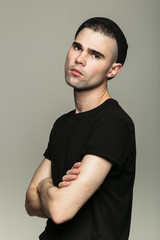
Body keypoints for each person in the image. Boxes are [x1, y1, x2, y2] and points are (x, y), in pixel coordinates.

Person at [25, 17, 136, 240]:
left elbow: (59, 210)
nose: (80, 59)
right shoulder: (63, 124)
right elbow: (29, 202)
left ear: (113, 70)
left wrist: (46, 185)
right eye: (77, 47)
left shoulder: (113, 124)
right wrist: (55, 192)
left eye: (96, 55)